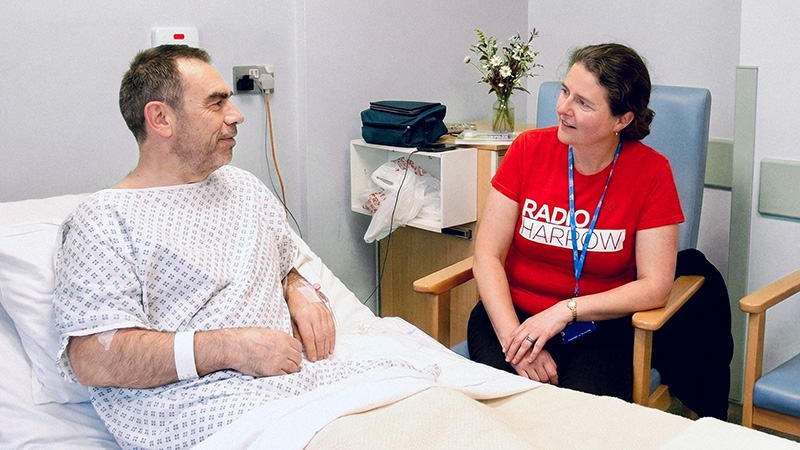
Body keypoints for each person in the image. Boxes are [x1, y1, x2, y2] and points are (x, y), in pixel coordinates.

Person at [52, 45, 425, 449]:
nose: (236, 114)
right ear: (161, 118)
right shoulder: (105, 219)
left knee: (428, 402)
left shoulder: (243, 187)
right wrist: (231, 348)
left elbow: (284, 262)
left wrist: (299, 290)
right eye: (216, 103)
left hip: (296, 383)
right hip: (201, 407)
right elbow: (92, 356)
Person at [467, 43, 684, 401]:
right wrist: (515, 339)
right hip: (510, 315)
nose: (563, 109)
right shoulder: (528, 150)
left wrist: (565, 311)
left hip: (597, 327)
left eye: (583, 103)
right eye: (565, 91)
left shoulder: (651, 172)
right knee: (505, 406)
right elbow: (486, 255)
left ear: (622, 119)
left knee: (579, 421)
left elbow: (655, 285)